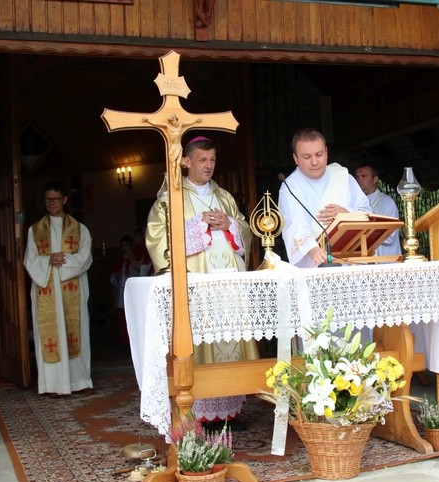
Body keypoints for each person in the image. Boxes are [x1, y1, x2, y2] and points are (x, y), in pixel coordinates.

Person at [146, 135, 258, 428]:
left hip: (229, 287)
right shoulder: (171, 197)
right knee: (201, 344)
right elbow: (158, 240)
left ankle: (231, 410)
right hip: (197, 287)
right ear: (186, 162)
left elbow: (244, 230)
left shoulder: (224, 197)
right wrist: (198, 226)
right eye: (202, 160)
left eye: (212, 160)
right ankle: (199, 412)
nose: (209, 166)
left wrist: (230, 226)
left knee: (229, 339)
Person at [24, 181, 94, 397]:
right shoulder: (34, 230)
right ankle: (53, 385)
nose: (51, 203)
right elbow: (30, 259)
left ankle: (80, 381)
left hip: (71, 287)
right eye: (47, 199)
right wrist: (48, 261)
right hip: (47, 289)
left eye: (55, 199)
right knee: (52, 333)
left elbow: (86, 256)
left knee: (75, 332)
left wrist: (63, 260)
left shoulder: (79, 228)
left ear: (64, 200)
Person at [278, 128, 373, 267]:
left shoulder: (343, 177)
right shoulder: (290, 187)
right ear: (295, 159)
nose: (315, 162)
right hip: (315, 262)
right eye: (306, 157)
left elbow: (367, 213)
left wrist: (346, 213)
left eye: (319, 154)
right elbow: (295, 224)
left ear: (326, 153)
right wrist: (312, 249)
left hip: (351, 259)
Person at [354, 161, 402, 257]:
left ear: (375, 179)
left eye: (364, 176)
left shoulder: (387, 203)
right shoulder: (354, 203)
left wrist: (362, 232)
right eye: (357, 177)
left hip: (385, 260)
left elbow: (389, 235)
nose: (359, 180)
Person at [110, 234, 151, 346]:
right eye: (122, 245)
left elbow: (141, 270)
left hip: (132, 290)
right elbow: (114, 277)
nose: (124, 248)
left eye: (126, 245)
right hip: (121, 290)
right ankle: (124, 341)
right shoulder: (119, 260)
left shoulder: (137, 255)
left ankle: (133, 342)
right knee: (122, 316)